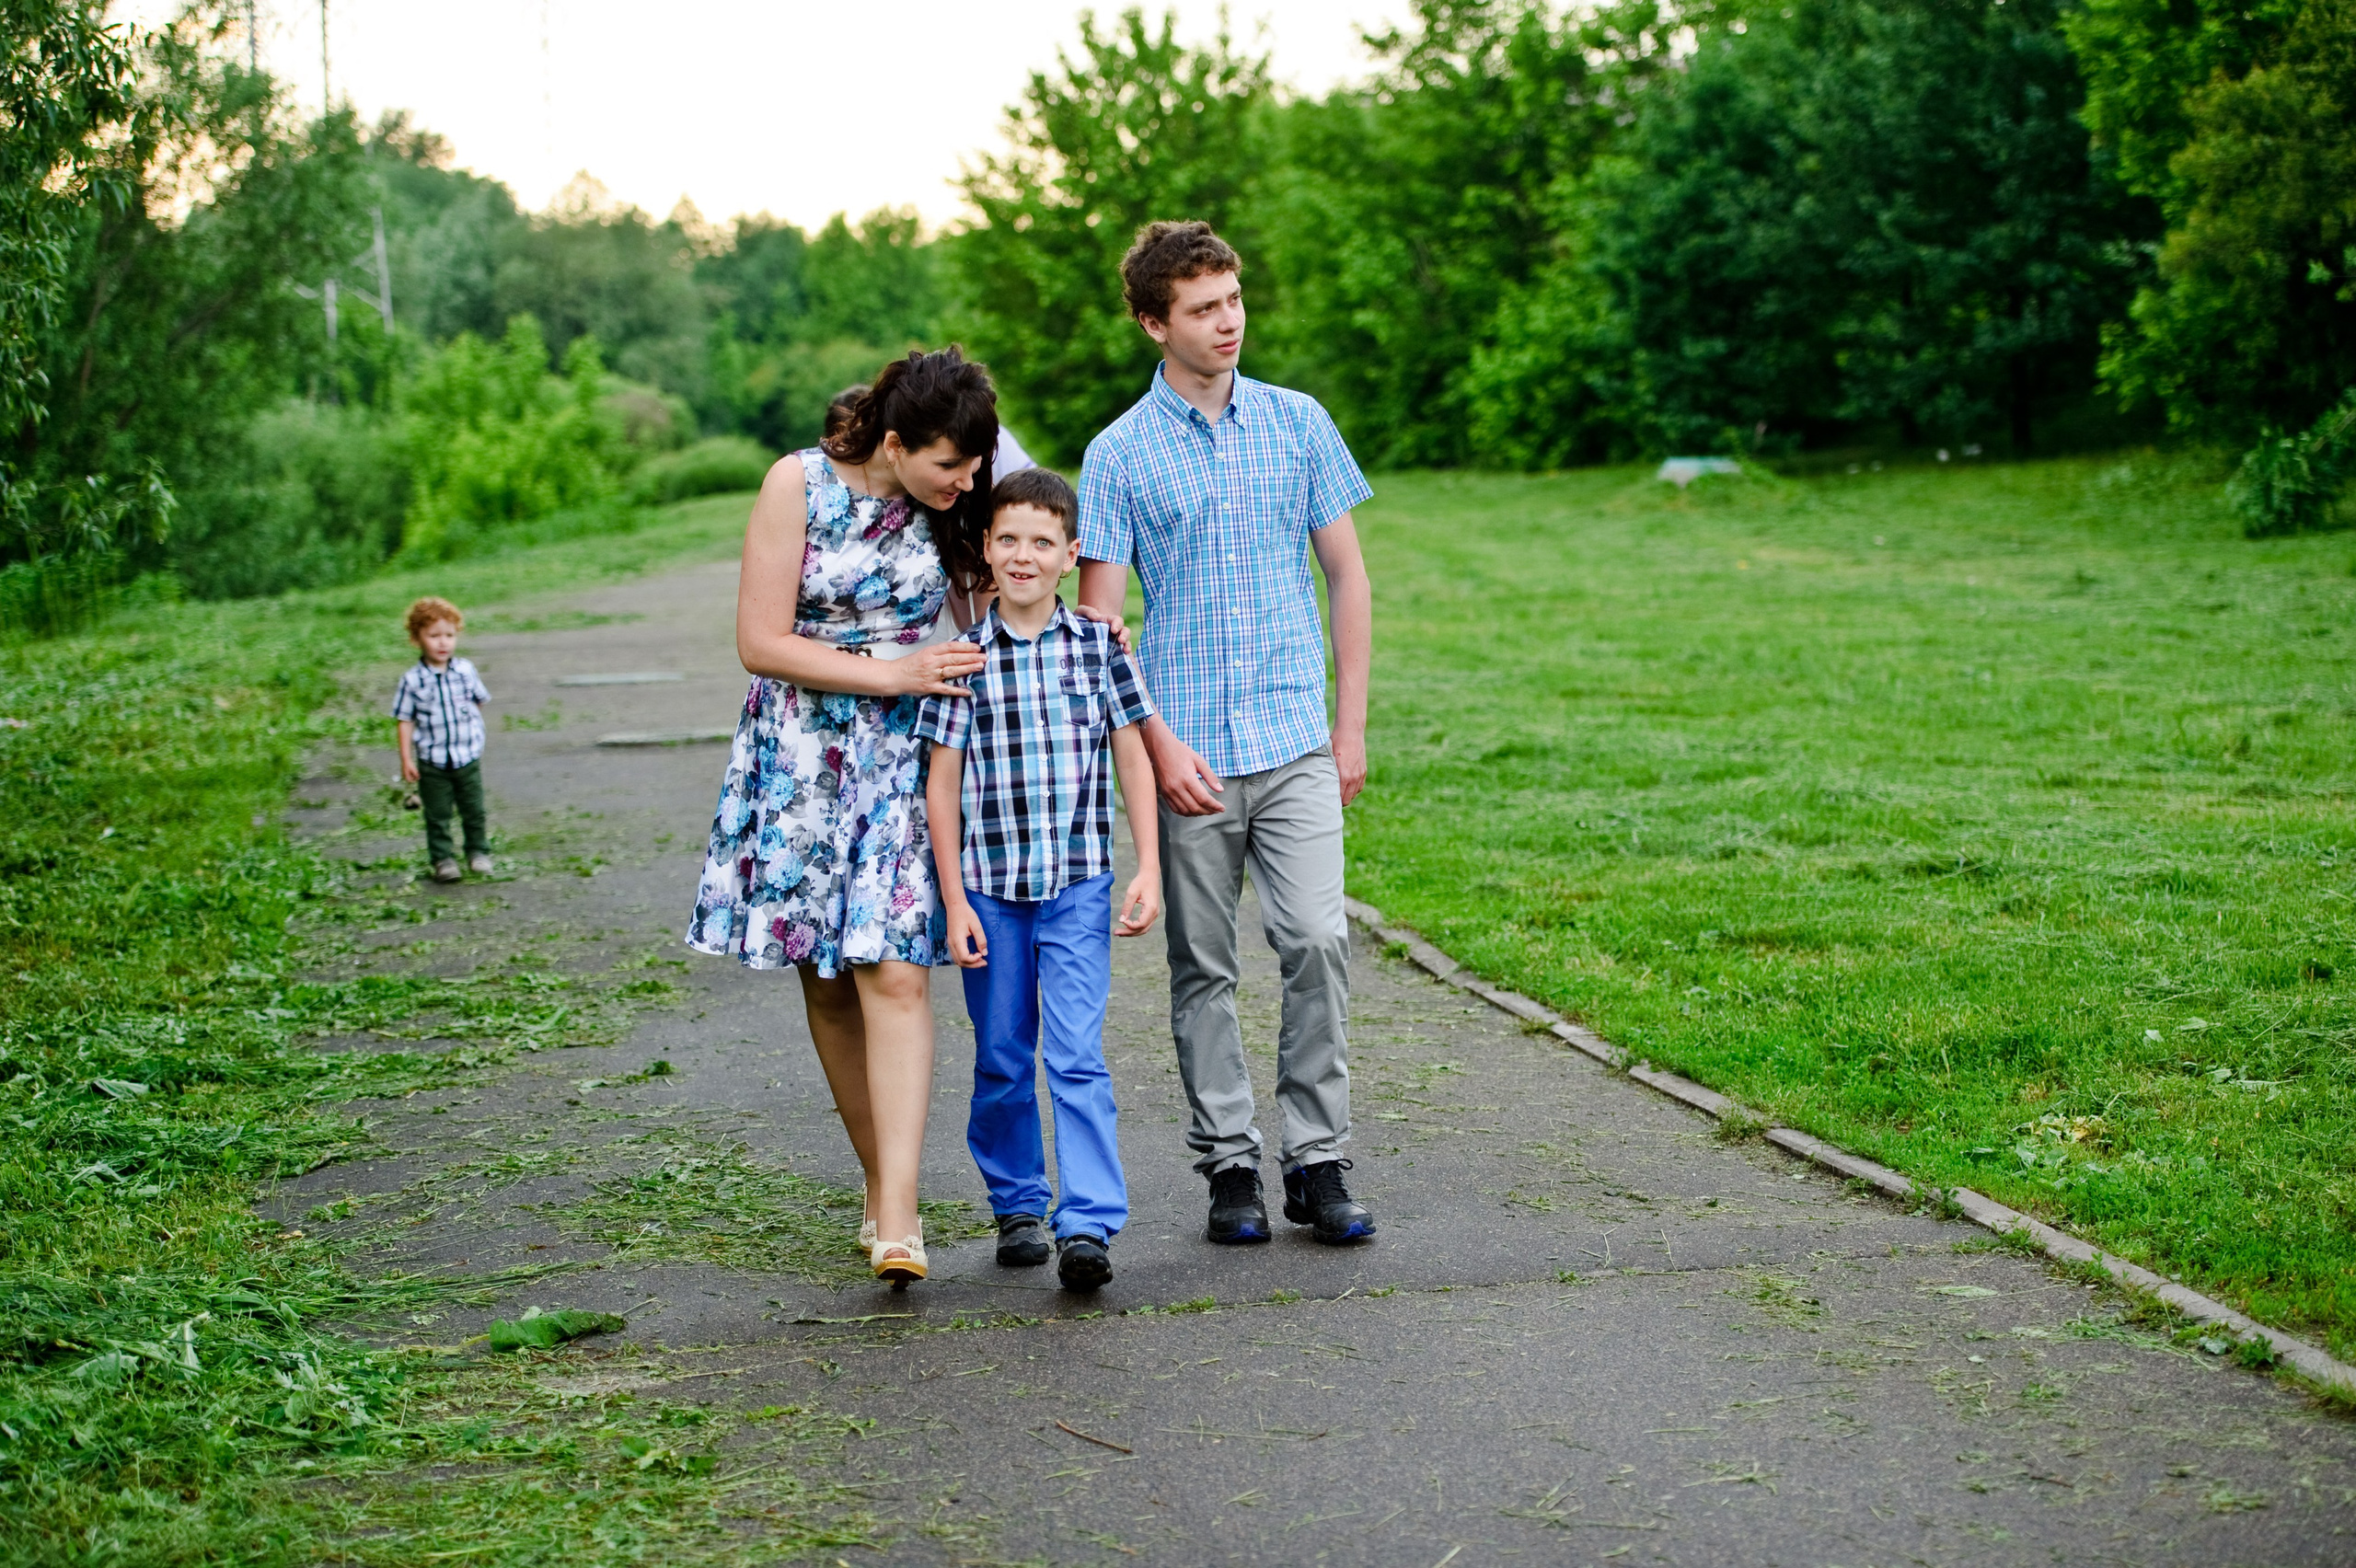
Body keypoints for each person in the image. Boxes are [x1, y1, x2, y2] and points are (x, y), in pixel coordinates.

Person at [1077, 220, 1379, 1247]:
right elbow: (1101, 627)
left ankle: (1319, 1159)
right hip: (1189, 750)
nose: (1228, 322)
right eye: (1204, 308)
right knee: (1202, 966)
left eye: (1234, 299)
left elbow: (1346, 574)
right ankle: (1230, 1168)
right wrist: (1156, 744)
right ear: (1155, 323)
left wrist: (1349, 726)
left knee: (1316, 941)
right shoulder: (1117, 455)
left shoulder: (1298, 424)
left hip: (1295, 735)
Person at [687, 349, 998, 1286]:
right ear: (895, 444)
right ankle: (878, 1188)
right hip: (801, 759)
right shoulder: (798, 484)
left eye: (974, 466)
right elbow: (759, 640)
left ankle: (899, 1220)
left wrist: (1075, 622)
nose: (965, 481)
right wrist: (888, 671)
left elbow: (1001, 600)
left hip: (908, 759)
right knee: (825, 978)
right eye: (949, 464)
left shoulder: (955, 503)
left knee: (896, 971)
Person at [918, 468, 1161, 1292]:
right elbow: (941, 783)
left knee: (1079, 1056)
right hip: (987, 889)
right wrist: (953, 900)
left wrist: (1149, 867)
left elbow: (1133, 753)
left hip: (1077, 885)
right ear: (986, 551)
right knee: (1002, 1054)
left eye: (1042, 542)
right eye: (1008, 539)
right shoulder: (963, 659)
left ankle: (1087, 1222)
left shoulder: (1098, 648)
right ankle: (1018, 1202)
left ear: (1070, 555)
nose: (1024, 555)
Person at [391, 596, 493, 884]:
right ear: (417, 639)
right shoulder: (412, 681)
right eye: (434, 636)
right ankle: (443, 859)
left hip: (466, 755)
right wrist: (406, 758)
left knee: (474, 808)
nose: (442, 643)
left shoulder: (465, 671)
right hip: (432, 760)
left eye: (449, 635)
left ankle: (478, 851)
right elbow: (405, 720)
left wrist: (471, 731)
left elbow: (479, 701)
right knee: (437, 814)